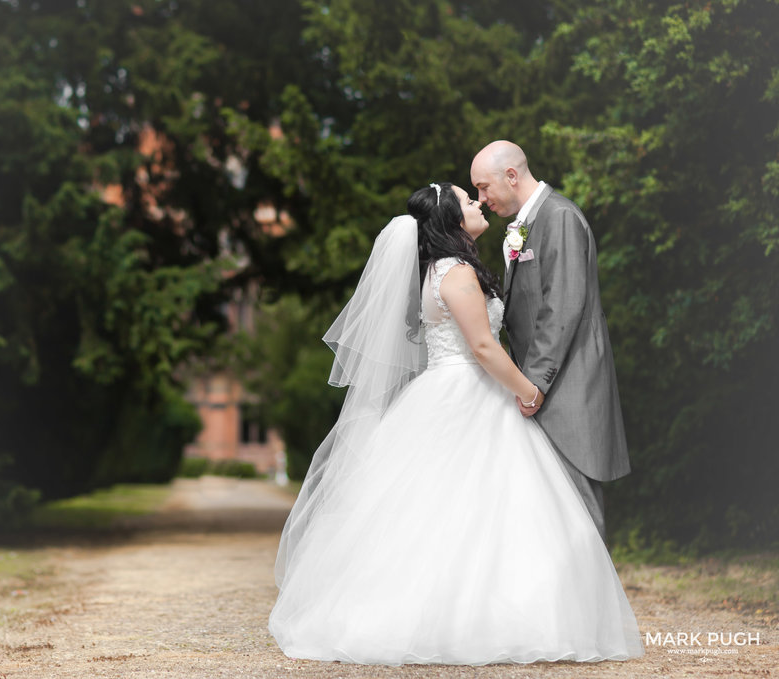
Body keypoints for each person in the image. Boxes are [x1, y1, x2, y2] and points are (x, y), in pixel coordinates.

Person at [268, 182, 644, 666]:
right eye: (469, 201)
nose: (478, 204)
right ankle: (470, 621)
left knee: (447, 509)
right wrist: (528, 391)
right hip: (467, 391)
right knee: (473, 507)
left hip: (450, 390)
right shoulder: (458, 274)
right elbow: (484, 348)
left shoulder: (437, 271)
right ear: (451, 220)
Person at [470, 140, 631, 539]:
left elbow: (562, 306)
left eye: (484, 187)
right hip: (545, 387)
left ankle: (592, 601)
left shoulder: (558, 217)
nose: (481, 198)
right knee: (552, 514)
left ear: (511, 175)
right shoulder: (530, 223)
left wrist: (533, 386)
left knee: (578, 514)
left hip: (568, 386)